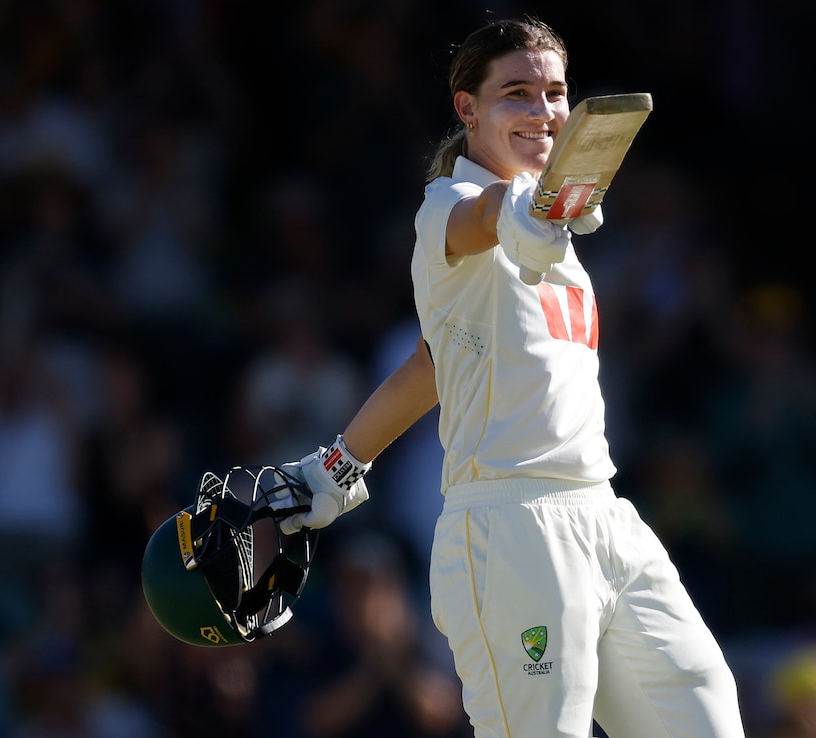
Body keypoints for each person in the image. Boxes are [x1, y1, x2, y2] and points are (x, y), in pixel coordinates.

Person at [276, 16, 746, 738]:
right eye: (516, 93)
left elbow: (437, 363)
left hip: (603, 512)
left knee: (706, 715)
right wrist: (530, 209)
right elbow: (490, 216)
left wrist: (336, 467)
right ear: (468, 109)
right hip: (510, 525)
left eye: (555, 93)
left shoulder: (547, 222)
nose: (543, 111)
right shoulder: (451, 210)